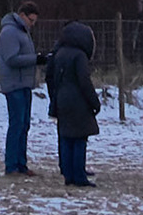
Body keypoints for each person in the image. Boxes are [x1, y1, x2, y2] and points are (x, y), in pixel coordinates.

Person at [44, 21, 102, 187]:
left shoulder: (58, 53)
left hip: (62, 100)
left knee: (66, 137)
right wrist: (94, 102)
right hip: (78, 102)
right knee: (79, 138)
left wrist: (55, 98)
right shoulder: (79, 56)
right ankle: (79, 176)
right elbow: (84, 81)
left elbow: (50, 77)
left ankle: (68, 175)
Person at [0, 2, 47, 176]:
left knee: (24, 124)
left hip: (24, 84)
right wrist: (35, 59)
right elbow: (11, 59)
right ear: (22, 15)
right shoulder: (10, 32)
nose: (32, 24)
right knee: (17, 124)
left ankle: (21, 164)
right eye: (31, 20)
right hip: (14, 85)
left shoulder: (22, 32)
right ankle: (11, 165)